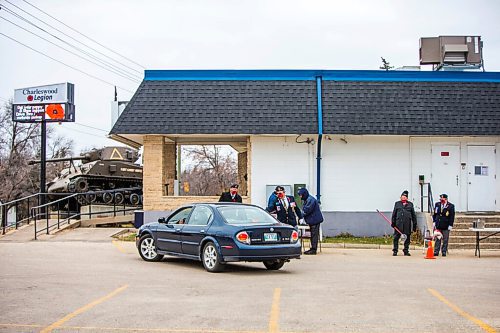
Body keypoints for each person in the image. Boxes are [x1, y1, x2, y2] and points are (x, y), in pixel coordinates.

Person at [298, 187, 324, 255]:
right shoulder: (308, 199)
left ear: (304, 194)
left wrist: (299, 215)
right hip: (313, 220)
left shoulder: (310, 200)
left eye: (301, 195)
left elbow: (306, 210)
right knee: (313, 235)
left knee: (314, 235)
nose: (300, 196)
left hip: (315, 220)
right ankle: (312, 249)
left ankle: (313, 250)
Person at [391, 190, 417, 256]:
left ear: (407, 198)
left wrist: (414, 225)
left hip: (407, 224)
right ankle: (395, 250)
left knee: (407, 238)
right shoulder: (397, 203)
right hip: (398, 224)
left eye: (404, 197)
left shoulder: (410, 204)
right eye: (402, 197)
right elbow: (394, 214)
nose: (403, 198)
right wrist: (393, 222)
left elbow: (413, 215)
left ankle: (406, 250)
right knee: (396, 238)